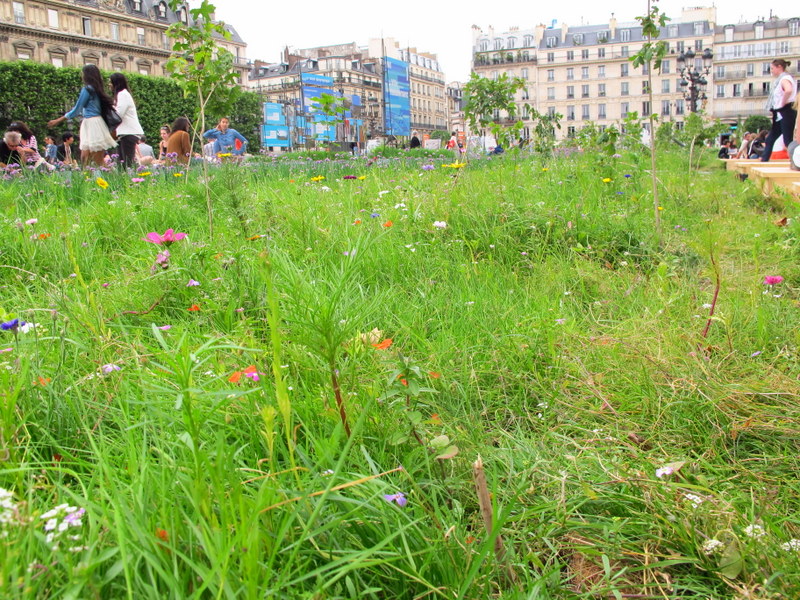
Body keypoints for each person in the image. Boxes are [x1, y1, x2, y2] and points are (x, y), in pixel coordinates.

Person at [47, 64, 116, 167]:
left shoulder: (88, 89)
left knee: (92, 159)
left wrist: (58, 120)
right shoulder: (98, 89)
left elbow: (77, 109)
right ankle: (89, 179)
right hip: (96, 123)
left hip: (91, 123)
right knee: (92, 158)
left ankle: (93, 179)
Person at [760, 59, 798, 162]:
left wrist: (782, 102)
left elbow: (788, 90)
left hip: (785, 110)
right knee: (770, 138)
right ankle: (764, 160)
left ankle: (795, 162)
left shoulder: (784, 79)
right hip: (780, 112)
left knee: (787, 139)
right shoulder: (781, 79)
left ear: (779, 67)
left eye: (772, 68)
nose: (771, 71)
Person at [109, 72, 144, 168]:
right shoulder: (122, 94)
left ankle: (130, 181)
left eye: (110, 82)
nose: (109, 85)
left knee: (127, 163)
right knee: (123, 163)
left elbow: (119, 114)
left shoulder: (122, 94)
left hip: (128, 132)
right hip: (125, 133)